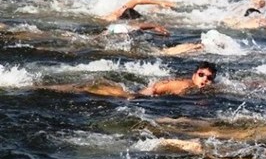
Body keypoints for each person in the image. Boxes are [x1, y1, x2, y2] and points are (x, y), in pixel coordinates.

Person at [44, 61, 217, 98]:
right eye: (201, 75)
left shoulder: (200, 89)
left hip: (140, 94)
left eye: (209, 78)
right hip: (135, 96)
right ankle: (48, 87)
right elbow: (157, 88)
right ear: (194, 75)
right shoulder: (185, 84)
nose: (204, 79)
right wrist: (137, 97)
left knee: (88, 87)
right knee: (87, 88)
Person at [102, 0, 175, 22]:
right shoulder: (112, 19)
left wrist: (159, 2)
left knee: (154, 9)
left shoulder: (122, 10)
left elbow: (136, 0)